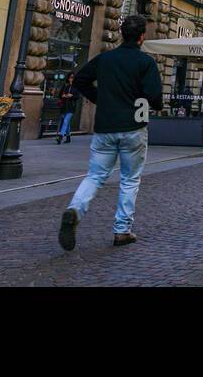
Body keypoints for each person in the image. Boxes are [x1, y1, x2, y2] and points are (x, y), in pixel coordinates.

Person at [58, 14, 163, 251]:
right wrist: (148, 105)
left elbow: (81, 80)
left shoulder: (105, 59)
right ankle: (122, 230)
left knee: (95, 175)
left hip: (105, 127)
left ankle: (75, 208)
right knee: (130, 179)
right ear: (142, 36)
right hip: (134, 127)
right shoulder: (145, 63)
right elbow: (155, 97)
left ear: (121, 34)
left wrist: (100, 99)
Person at [56, 73, 78, 144]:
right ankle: (68, 137)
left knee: (65, 121)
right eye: (70, 77)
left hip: (71, 107)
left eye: (73, 77)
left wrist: (71, 96)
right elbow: (60, 95)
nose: (71, 79)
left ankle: (61, 136)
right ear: (68, 78)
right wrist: (64, 96)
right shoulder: (65, 86)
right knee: (67, 123)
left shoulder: (76, 87)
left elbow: (77, 97)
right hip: (64, 106)